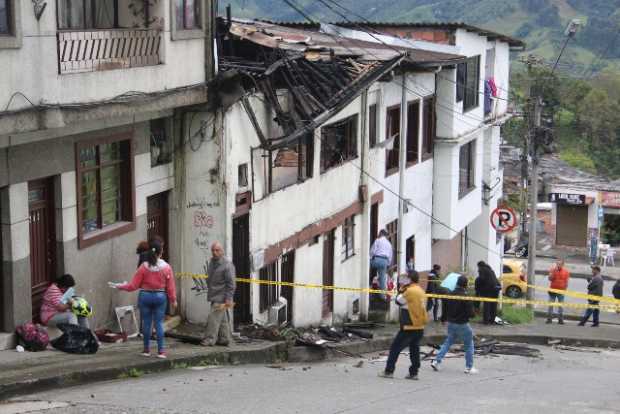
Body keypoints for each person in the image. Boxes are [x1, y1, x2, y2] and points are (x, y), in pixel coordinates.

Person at [115, 239, 177, 358]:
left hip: (145, 296)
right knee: (158, 323)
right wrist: (173, 300)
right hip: (160, 297)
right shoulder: (166, 267)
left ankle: (146, 350)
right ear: (161, 252)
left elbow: (133, 286)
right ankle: (161, 351)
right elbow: (171, 287)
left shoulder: (143, 267)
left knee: (147, 323)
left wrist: (120, 286)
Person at [378, 270, 427, 380]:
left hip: (409, 325)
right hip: (420, 325)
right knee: (414, 350)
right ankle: (414, 373)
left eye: (405, 278)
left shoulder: (409, 291)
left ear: (409, 279)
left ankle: (388, 371)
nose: (403, 280)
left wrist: (401, 289)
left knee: (395, 348)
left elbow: (398, 301)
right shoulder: (420, 290)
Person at [431, 275, 478, 374]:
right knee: (469, 344)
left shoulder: (450, 295)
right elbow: (472, 314)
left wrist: (444, 319)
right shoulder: (466, 297)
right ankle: (469, 367)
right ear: (466, 285)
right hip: (463, 324)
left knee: (448, 342)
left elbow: (445, 308)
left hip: (451, 323)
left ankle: (436, 361)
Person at [201, 242, 236, 347]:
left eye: (217, 250)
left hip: (221, 296)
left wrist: (228, 298)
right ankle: (224, 338)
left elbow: (231, 284)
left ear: (222, 251)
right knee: (222, 319)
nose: (214, 252)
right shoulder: (212, 262)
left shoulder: (227, 265)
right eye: (213, 250)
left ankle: (209, 339)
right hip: (214, 294)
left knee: (213, 318)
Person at [370, 230, 393, 300]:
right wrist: (387, 264)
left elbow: (372, 251)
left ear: (381, 234)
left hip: (376, 259)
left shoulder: (377, 240)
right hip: (384, 261)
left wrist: (370, 258)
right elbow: (390, 256)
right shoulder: (389, 244)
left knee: (368, 267)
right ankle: (382, 297)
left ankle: (370, 283)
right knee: (382, 279)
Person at [547, 258, 570, 324]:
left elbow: (566, 282)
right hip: (552, 290)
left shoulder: (566, 272)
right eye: (557, 264)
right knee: (550, 305)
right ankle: (549, 319)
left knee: (560, 306)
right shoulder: (552, 270)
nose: (558, 265)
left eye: (559, 264)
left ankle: (560, 320)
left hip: (561, 291)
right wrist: (553, 271)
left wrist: (565, 289)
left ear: (563, 265)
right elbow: (550, 279)